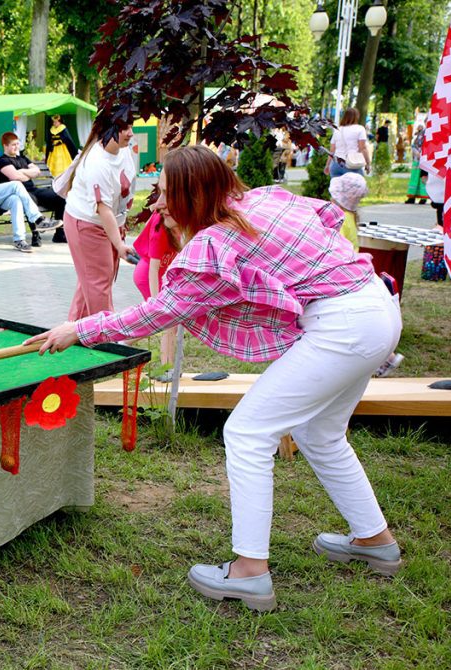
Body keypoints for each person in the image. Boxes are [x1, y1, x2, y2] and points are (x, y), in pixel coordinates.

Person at [27, 145, 403, 611]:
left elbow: (158, 313)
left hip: (345, 327)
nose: (158, 205)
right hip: (377, 310)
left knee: (247, 432)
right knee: (320, 433)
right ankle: (374, 540)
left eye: (165, 195)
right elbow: (323, 221)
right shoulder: (260, 199)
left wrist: (77, 330)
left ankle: (249, 571)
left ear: (192, 194)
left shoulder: (218, 242)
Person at [329, 173, 406, 378]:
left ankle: (384, 358)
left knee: (345, 324)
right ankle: (386, 357)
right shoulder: (351, 216)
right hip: (354, 273)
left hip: (342, 275)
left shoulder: (338, 217)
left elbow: (335, 248)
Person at [61, 120, 139, 319]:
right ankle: (105, 340)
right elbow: (103, 209)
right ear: (109, 128)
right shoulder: (97, 162)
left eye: (131, 127)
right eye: (124, 129)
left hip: (109, 223)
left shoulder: (123, 151)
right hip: (88, 225)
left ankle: (74, 331)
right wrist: (120, 245)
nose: (130, 133)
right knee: (98, 284)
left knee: (92, 279)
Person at [131, 209, 179, 382]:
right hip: (148, 276)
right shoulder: (160, 230)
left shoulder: (182, 222)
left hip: (162, 274)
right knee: (167, 321)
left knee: (169, 321)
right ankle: (167, 368)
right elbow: (153, 269)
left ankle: (125, 341)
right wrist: (156, 302)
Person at [0, 131, 68, 245]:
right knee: (30, 201)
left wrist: (23, 171)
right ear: (5, 145)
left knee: (60, 198)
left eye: (17, 144)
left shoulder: (23, 158)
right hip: (20, 193)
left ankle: (59, 234)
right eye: (13, 145)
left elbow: (37, 171)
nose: (16, 147)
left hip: (34, 190)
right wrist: (27, 174)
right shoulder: (3, 161)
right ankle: (35, 235)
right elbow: (15, 176)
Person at [329, 107, 371, 178]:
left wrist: (327, 165)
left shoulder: (337, 130)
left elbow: (332, 150)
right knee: (357, 188)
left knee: (336, 188)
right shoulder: (360, 129)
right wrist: (368, 163)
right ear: (356, 117)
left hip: (336, 164)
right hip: (351, 163)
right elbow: (362, 148)